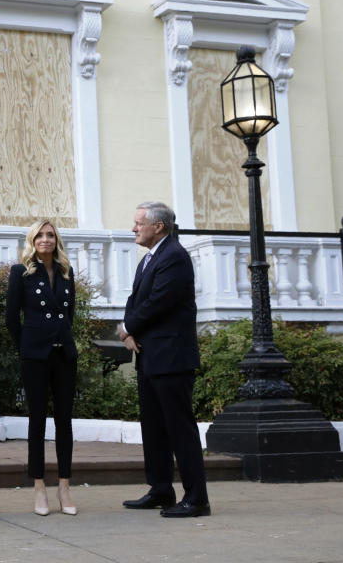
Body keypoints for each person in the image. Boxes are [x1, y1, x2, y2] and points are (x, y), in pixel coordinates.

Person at [119, 201, 210, 518]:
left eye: (138, 222)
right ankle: (160, 489)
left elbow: (160, 302)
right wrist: (127, 331)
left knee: (179, 429)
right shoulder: (150, 258)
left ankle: (196, 498)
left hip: (172, 359)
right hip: (150, 356)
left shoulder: (174, 257)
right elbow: (136, 300)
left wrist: (128, 327)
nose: (134, 228)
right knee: (154, 428)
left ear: (158, 226)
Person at [5, 220, 78, 516]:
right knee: (37, 422)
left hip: (64, 355)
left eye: (50, 235)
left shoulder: (65, 271)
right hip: (35, 356)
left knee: (64, 421)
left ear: (56, 240)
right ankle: (39, 488)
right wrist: (29, 345)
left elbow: (68, 314)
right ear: (32, 240)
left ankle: (64, 487)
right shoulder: (20, 272)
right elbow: (12, 317)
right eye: (40, 235)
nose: (45, 240)